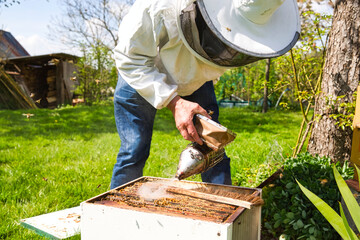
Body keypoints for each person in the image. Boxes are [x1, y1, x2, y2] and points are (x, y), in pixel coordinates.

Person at [111, 0, 300, 189]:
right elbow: (130, 59)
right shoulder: (156, 5)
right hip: (140, 73)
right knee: (133, 149)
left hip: (197, 79)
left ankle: (225, 205)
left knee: (212, 145)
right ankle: (114, 214)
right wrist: (175, 103)